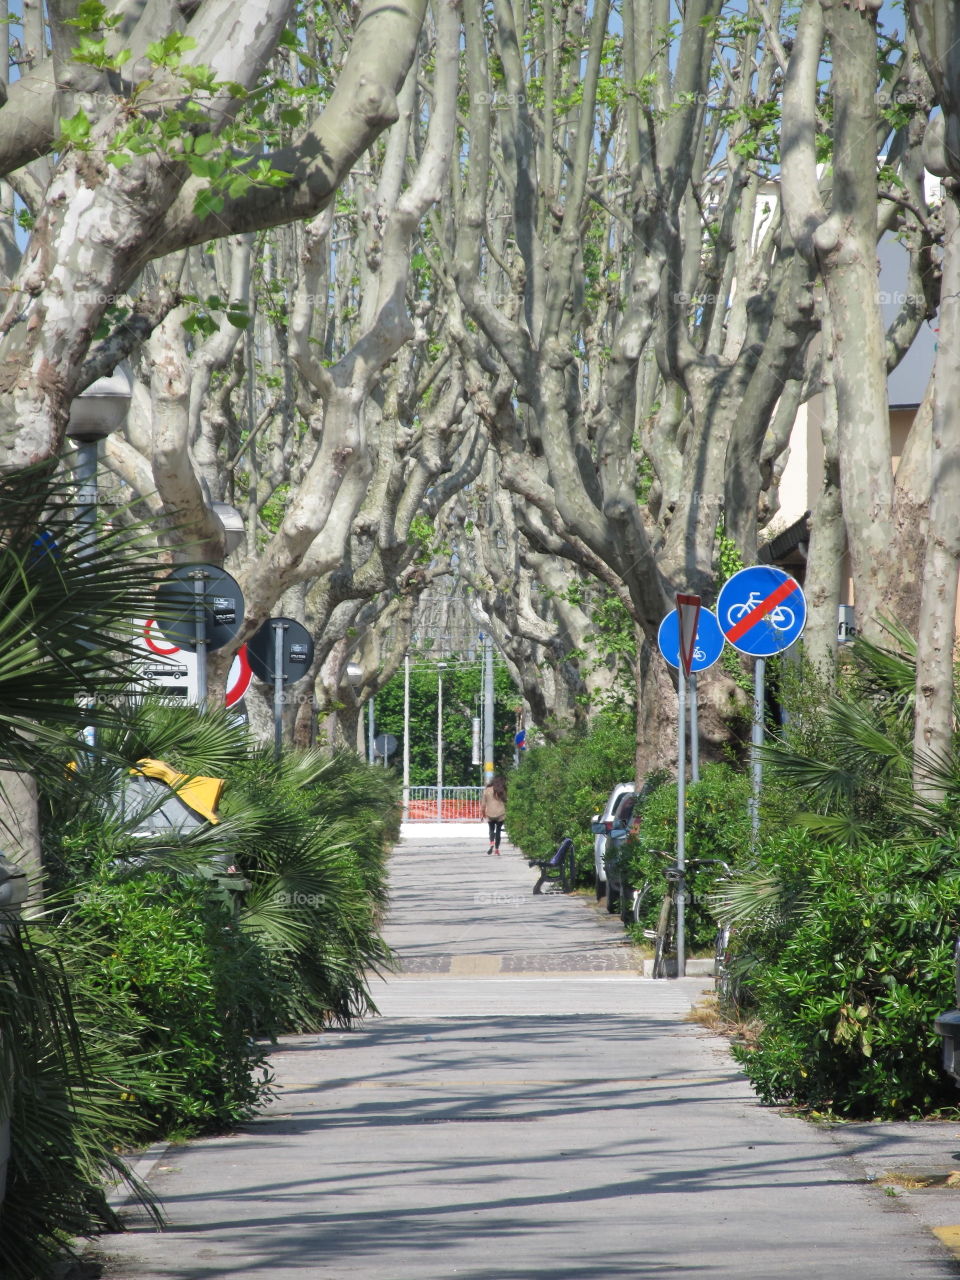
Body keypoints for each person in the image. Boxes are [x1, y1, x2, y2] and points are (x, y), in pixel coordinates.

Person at [481, 774, 507, 855]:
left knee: (491, 829)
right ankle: (497, 849)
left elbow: (483, 805)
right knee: (498, 830)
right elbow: (507, 802)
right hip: (501, 814)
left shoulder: (487, 790)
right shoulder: (503, 790)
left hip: (490, 814)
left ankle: (491, 842)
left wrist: (483, 814)